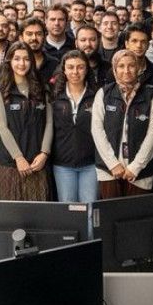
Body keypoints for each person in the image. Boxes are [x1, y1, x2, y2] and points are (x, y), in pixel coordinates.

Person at [91, 50, 153, 198]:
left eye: (131, 65)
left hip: (141, 173)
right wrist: (113, 164)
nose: (126, 70)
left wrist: (135, 167)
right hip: (109, 170)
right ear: (114, 69)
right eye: (121, 66)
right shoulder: (104, 94)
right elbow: (97, 131)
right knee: (111, 212)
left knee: (136, 212)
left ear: (138, 68)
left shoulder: (151, 96)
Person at [0, 42, 53, 201]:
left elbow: (49, 123)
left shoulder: (42, 88)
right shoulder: (0, 90)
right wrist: (18, 157)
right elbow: (2, 128)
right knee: (11, 212)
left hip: (37, 162)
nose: (22, 63)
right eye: (17, 59)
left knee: (38, 210)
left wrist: (44, 153)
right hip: (10, 164)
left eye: (26, 59)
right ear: (9, 61)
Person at [50, 50, 98, 203]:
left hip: (91, 164)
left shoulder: (97, 96)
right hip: (63, 164)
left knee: (89, 208)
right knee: (68, 208)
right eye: (70, 67)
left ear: (87, 69)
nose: (75, 72)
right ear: (64, 70)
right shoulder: (54, 97)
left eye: (80, 67)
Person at [20, 16, 58, 86]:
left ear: (44, 36)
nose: (34, 38)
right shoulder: (15, 65)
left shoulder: (55, 64)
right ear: (21, 38)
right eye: (29, 34)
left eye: (38, 34)